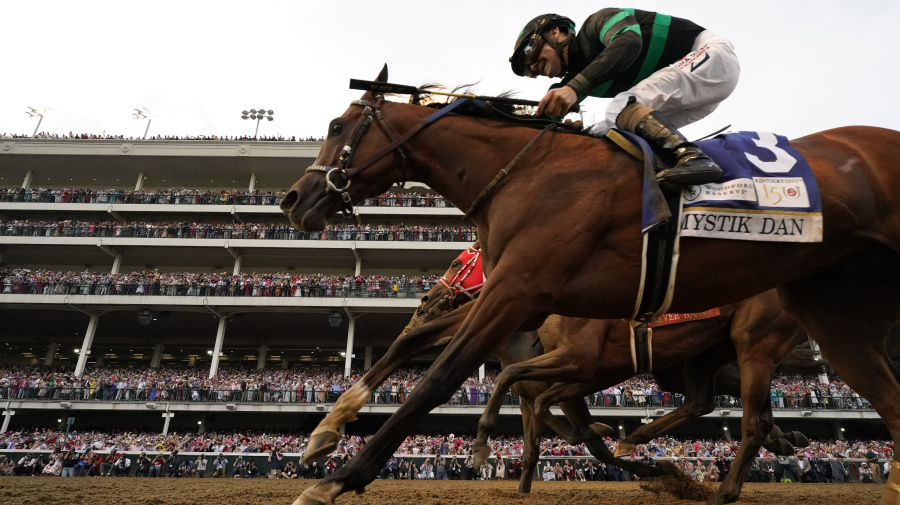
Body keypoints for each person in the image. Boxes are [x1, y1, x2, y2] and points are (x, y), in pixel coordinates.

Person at [509, 10, 740, 186]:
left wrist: (575, 89)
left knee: (620, 106)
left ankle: (693, 157)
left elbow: (629, 41)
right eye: (528, 71)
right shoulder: (574, 79)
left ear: (555, 32)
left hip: (711, 54)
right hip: (703, 93)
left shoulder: (596, 23)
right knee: (605, 131)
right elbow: (540, 127)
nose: (532, 67)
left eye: (529, 51)